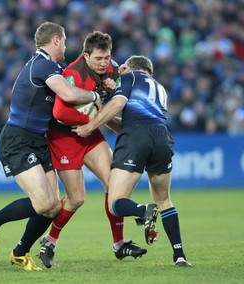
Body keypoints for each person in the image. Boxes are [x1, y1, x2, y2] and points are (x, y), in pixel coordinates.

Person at [0, 21, 102, 271]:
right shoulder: (42, 64)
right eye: (64, 41)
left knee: (53, 207)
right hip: (18, 140)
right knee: (44, 204)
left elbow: (79, 77)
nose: (66, 45)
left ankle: (20, 252)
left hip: (38, 140)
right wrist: (96, 97)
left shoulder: (53, 67)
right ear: (56, 40)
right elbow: (69, 94)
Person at [38, 31, 147, 269]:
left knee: (114, 185)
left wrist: (115, 86)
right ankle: (49, 241)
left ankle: (119, 245)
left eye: (106, 57)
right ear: (86, 55)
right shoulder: (72, 74)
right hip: (64, 137)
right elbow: (59, 113)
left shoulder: (113, 68)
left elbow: (129, 79)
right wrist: (93, 116)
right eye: (98, 58)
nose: (103, 63)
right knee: (76, 198)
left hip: (91, 134)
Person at [74, 55, 191, 267]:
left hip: (136, 138)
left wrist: (90, 126)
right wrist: (105, 112)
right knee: (164, 200)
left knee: (115, 203)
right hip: (162, 137)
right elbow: (128, 120)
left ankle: (143, 210)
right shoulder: (159, 88)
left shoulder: (130, 78)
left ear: (128, 67)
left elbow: (119, 105)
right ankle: (180, 255)